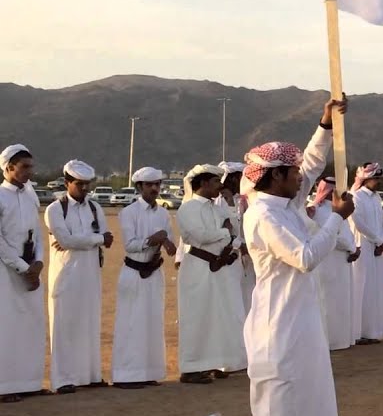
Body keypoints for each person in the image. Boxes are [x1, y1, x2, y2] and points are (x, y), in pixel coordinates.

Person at [242, 136, 356, 416]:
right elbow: (305, 257)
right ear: (276, 176)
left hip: (302, 326)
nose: (300, 179)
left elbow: (311, 164)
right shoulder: (264, 215)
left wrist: (325, 126)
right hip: (278, 331)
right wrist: (337, 218)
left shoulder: (286, 207)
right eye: (293, 173)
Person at [45, 160, 113, 393]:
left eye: (87, 184)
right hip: (66, 276)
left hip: (90, 274)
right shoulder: (55, 209)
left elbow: (108, 238)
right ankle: (62, 379)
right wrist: (96, 239)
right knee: (64, 326)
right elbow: (66, 240)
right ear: (67, 183)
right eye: (79, 184)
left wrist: (83, 240)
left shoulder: (95, 208)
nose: (84, 188)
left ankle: (90, 375)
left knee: (90, 323)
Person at [176, 163, 246, 384]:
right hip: (198, 268)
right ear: (204, 183)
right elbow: (201, 236)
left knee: (217, 316)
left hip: (219, 268)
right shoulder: (188, 208)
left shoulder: (219, 208)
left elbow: (235, 233)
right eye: (216, 181)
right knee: (197, 317)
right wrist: (224, 232)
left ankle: (215, 363)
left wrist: (226, 232)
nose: (220, 186)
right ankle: (191, 368)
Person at [112, 167, 175, 388]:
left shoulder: (163, 213)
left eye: (157, 184)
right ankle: (126, 375)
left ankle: (149, 371)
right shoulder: (128, 213)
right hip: (134, 273)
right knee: (131, 323)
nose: (154, 188)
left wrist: (167, 243)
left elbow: (169, 241)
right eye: (149, 185)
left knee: (152, 321)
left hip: (155, 272)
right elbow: (130, 245)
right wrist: (151, 240)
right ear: (139, 187)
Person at [0, 145, 46, 403]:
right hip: (6, 271)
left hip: (30, 269)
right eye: (24, 167)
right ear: (9, 168)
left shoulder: (30, 196)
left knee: (31, 325)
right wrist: (22, 267)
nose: (30, 172)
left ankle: (29, 382)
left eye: (31, 166)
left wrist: (38, 262)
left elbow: (37, 233)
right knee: (6, 327)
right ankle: (4, 386)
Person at [312, 176, 359, 350]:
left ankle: (342, 339)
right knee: (328, 302)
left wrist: (354, 247)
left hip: (342, 262)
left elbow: (346, 233)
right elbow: (332, 236)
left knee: (341, 301)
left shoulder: (337, 210)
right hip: (329, 261)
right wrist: (352, 248)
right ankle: (331, 341)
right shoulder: (318, 211)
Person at [350, 162, 383, 344]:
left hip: (377, 248)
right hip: (363, 246)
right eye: (375, 179)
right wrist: (378, 240)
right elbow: (359, 223)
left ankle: (372, 331)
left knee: (374, 288)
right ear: (366, 179)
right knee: (361, 288)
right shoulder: (356, 197)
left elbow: (382, 222)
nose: (378, 182)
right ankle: (358, 332)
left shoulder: (376, 198)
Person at [216, 162, 255, 317]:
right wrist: (240, 244)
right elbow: (224, 229)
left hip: (248, 255)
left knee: (248, 296)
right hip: (227, 256)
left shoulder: (246, 199)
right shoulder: (219, 200)